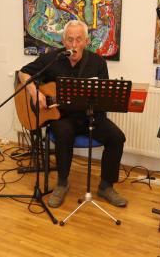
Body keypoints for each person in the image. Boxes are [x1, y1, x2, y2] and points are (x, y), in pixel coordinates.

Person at [18, 19, 127, 209]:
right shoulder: (52, 59)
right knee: (63, 132)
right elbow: (23, 73)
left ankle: (106, 186)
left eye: (78, 39)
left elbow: (103, 96)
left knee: (117, 137)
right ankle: (62, 183)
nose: (74, 44)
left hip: (91, 116)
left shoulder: (97, 62)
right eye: (69, 40)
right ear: (63, 41)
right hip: (62, 116)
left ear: (86, 41)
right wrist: (35, 93)